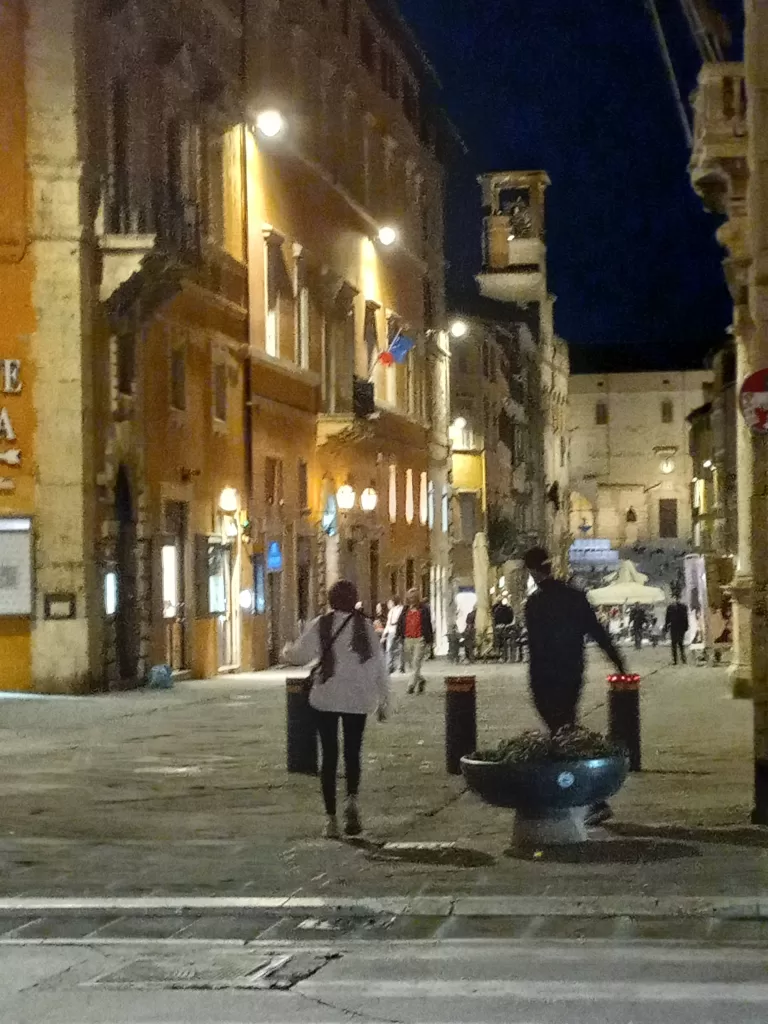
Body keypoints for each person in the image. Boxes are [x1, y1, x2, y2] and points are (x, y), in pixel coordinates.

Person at [524, 547, 627, 826]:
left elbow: (536, 648)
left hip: (545, 677)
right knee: (565, 729)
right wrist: (618, 662)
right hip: (572, 673)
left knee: (563, 733)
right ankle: (576, 792)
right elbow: (598, 633)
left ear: (532, 571)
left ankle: (593, 797)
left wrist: (535, 680)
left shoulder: (534, 603)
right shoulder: (575, 597)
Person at [283, 580, 390, 839]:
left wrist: (286, 650)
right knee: (353, 752)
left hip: (327, 698)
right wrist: (384, 701)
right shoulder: (365, 626)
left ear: (330, 600)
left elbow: (299, 655)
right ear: (353, 599)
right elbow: (379, 666)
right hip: (358, 699)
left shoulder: (321, 624)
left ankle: (331, 820)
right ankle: (352, 803)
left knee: (329, 756)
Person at [395, 587, 434, 694]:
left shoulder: (424, 609)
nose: (411, 599)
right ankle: (421, 680)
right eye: (410, 597)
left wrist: (430, 640)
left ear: (417, 598)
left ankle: (411, 685)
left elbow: (428, 624)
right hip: (407, 639)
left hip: (420, 639)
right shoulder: (405, 609)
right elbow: (400, 623)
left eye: (413, 597)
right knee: (411, 665)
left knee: (416, 662)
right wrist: (399, 636)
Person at [665, 594, 689, 666]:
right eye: (674, 598)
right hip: (673, 627)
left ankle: (683, 659)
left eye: (677, 598)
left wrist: (686, 626)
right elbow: (667, 618)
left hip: (680, 627)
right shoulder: (670, 607)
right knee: (674, 644)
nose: (676, 600)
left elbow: (685, 617)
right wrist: (666, 626)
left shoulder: (683, 607)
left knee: (681, 644)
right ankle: (675, 660)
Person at [383, 596, 405, 673]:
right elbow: (388, 623)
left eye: (390, 602)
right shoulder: (391, 611)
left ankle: (401, 666)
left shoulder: (402, 609)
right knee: (389, 649)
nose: (389, 604)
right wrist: (385, 633)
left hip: (399, 630)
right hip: (391, 630)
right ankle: (390, 666)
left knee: (400, 648)